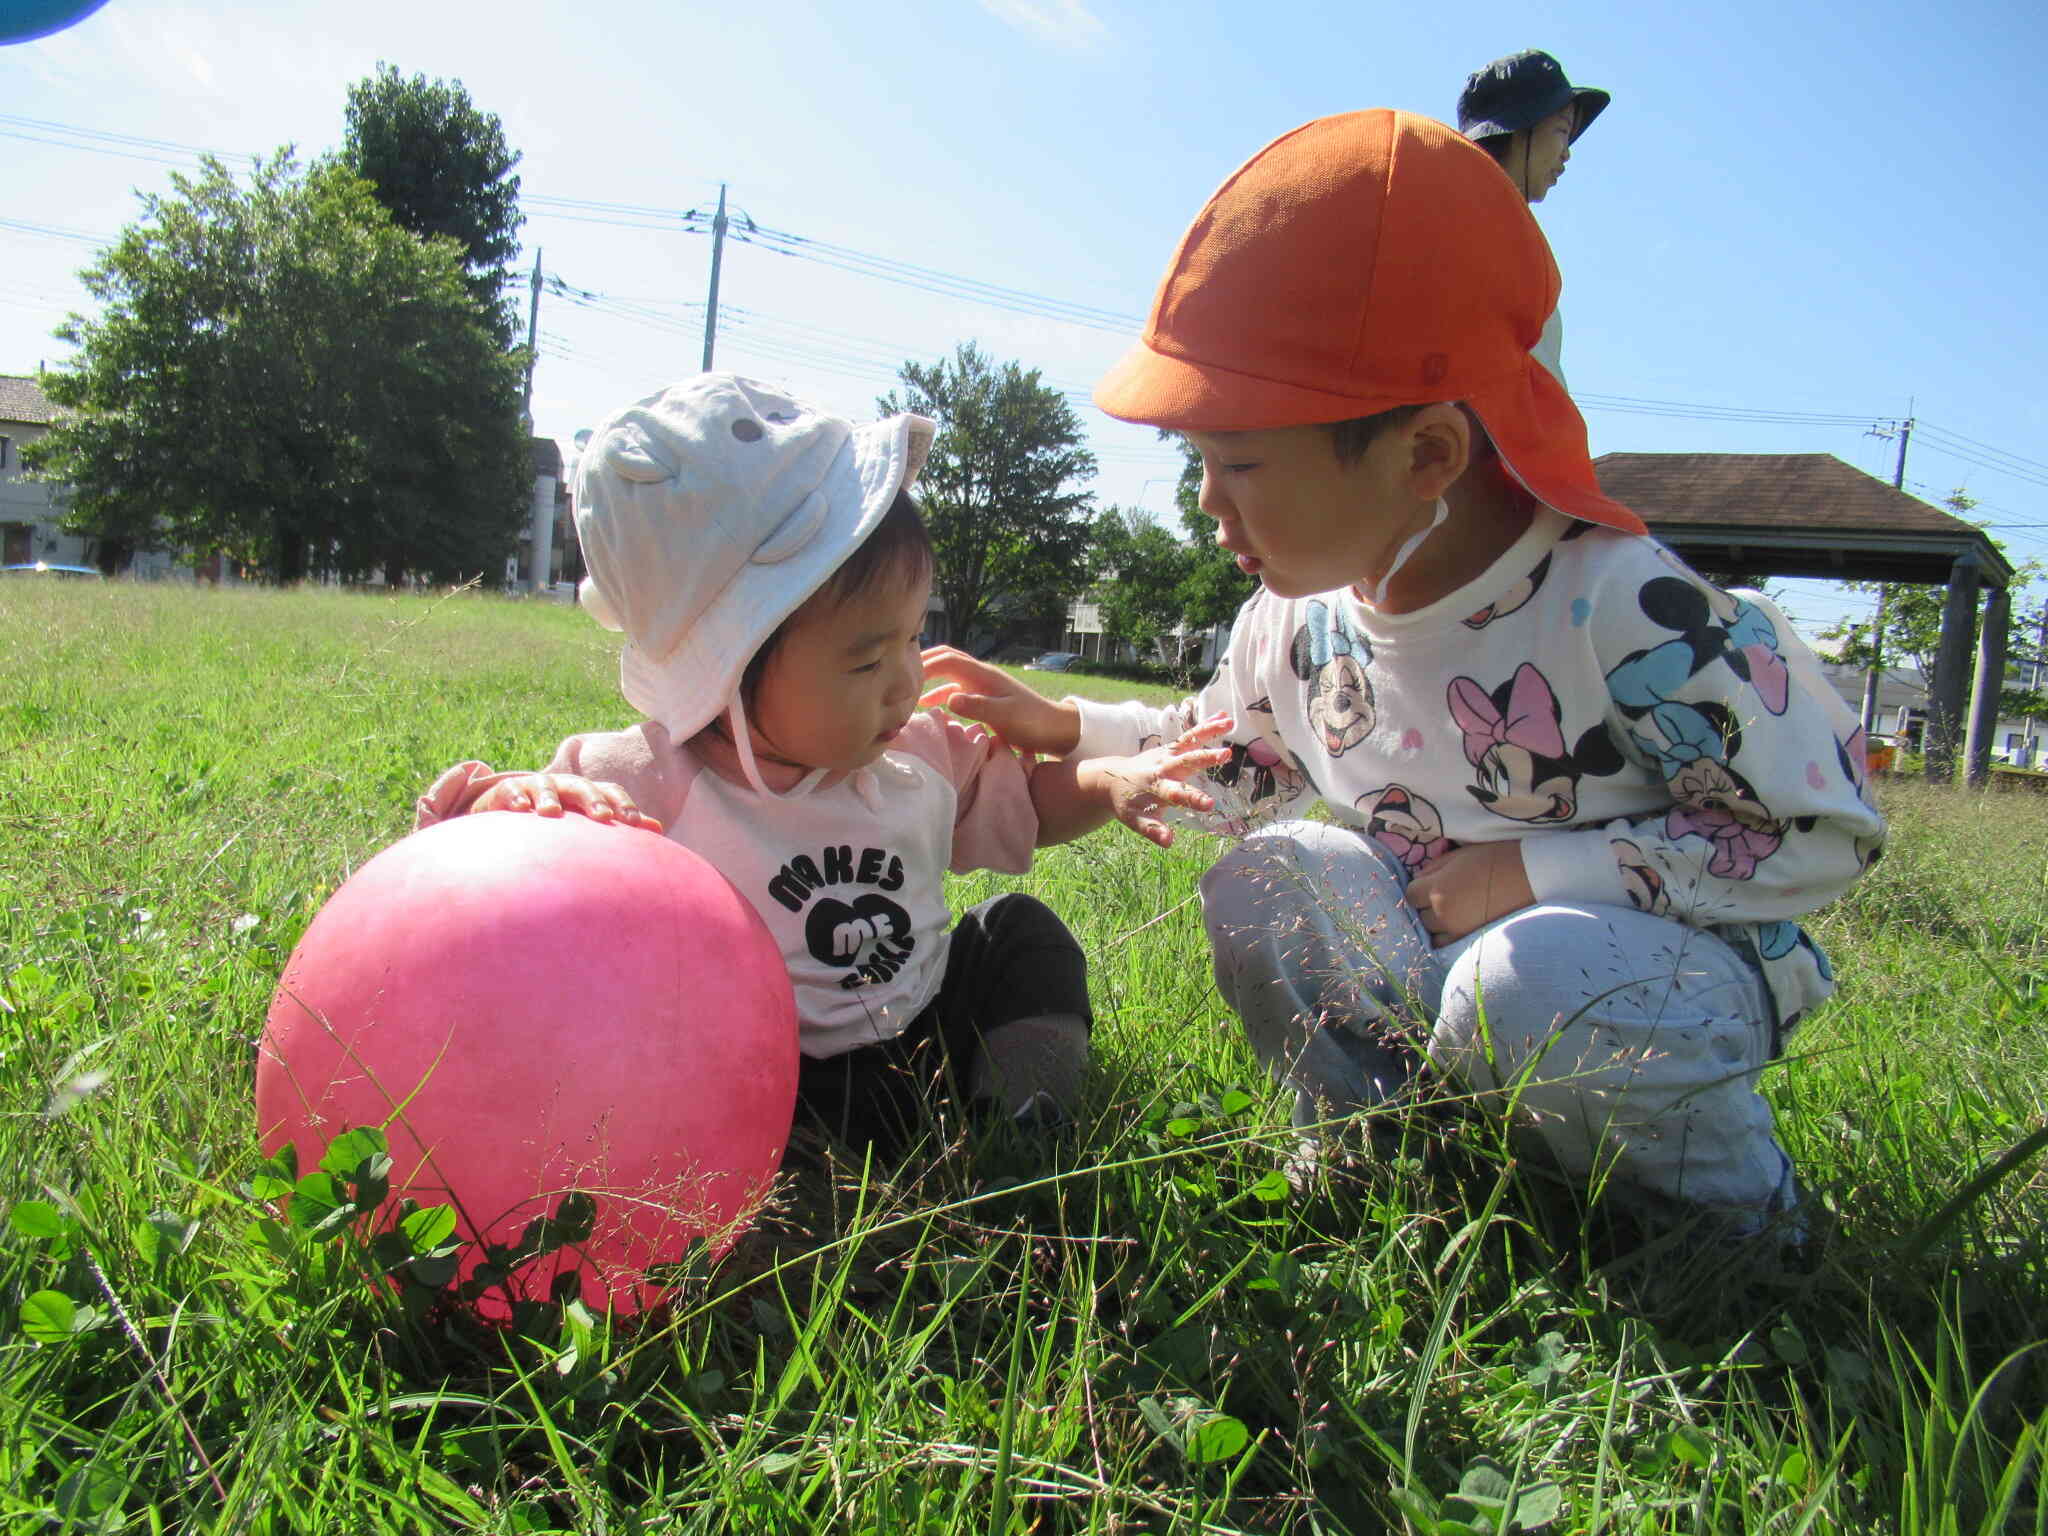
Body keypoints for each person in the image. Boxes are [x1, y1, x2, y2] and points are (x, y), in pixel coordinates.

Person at [923, 112, 1884, 1236]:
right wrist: (1062, 725)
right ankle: (1382, 1165)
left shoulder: (1625, 607)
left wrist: (1529, 873)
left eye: (1235, 462)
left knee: (1519, 984)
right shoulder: (1296, 619)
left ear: (1425, 455)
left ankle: (1735, 1227)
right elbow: (1225, 754)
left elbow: (1817, 828)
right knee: (1275, 869)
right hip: (1447, 959)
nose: (1204, 504)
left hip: (1641, 978)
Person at [418, 374, 1225, 1157]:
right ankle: (793, 1192)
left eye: (913, 636)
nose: (909, 680)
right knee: (675, 1063)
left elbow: (1034, 804)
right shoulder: (643, 778)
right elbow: (503, 881)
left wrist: (1108, 782)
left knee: (1021, 934)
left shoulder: (919, 755)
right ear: (728, 669)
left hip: (926, 1034)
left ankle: (1019, 1126)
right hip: (768, 1077)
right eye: (866, 661)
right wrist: (507, 802)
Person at [1457, 48, 1609, 383]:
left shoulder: (1457, 219)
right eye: (1561, 131)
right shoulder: (1492, 240)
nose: (1567, 153)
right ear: (1519, 129)